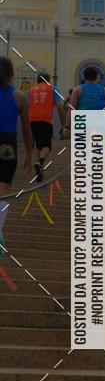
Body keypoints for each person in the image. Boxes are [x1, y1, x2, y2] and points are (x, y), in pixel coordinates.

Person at [0, 57, 32, 257]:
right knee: (3, 191)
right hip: (7, 145)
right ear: (12, 73)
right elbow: (26, 130)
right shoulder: (19, 96)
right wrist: (29, 154)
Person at [27, 72, 65, 181]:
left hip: (32, 120)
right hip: (45, 120)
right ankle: (40, 162)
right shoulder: (52, 88)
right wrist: (63, 123)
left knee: (39, 146)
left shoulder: (31, 90)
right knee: (47, 145)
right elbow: (59, 105)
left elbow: (27, 106)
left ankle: (39, 171)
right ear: (48, 80)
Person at [68, 66, 105, 138]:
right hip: (99, 121)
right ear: (96, 77)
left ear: (84, 77)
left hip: (81, 121)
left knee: (81, 148)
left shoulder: (77, 90)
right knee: (96, 147)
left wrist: (67, 126)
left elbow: (72, 109)